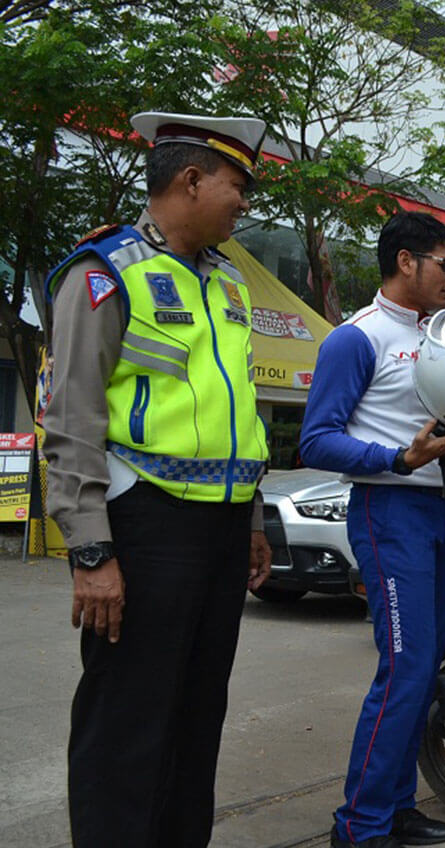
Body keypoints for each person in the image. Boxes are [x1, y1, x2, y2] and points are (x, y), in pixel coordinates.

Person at [42, 111, 274, 847]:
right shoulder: (104, 273)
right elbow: (72, 419)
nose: (244, 203)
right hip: (144, 524)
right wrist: (90, 551)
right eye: (237, 186)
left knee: (197, 713)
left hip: (222, 525)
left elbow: (239, 410)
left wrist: (254, 518)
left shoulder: (230, 284)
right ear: (191, 179)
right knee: (128, 718)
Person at [300, 211, 445, 848]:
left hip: (443, 512)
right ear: (407, 261)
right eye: (444, 262)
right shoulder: (356, 339)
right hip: (390, 514)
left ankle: (396, 806)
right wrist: (395, 459)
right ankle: (359, 827)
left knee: (424, 665)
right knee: (405, 668)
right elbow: (316, 441)